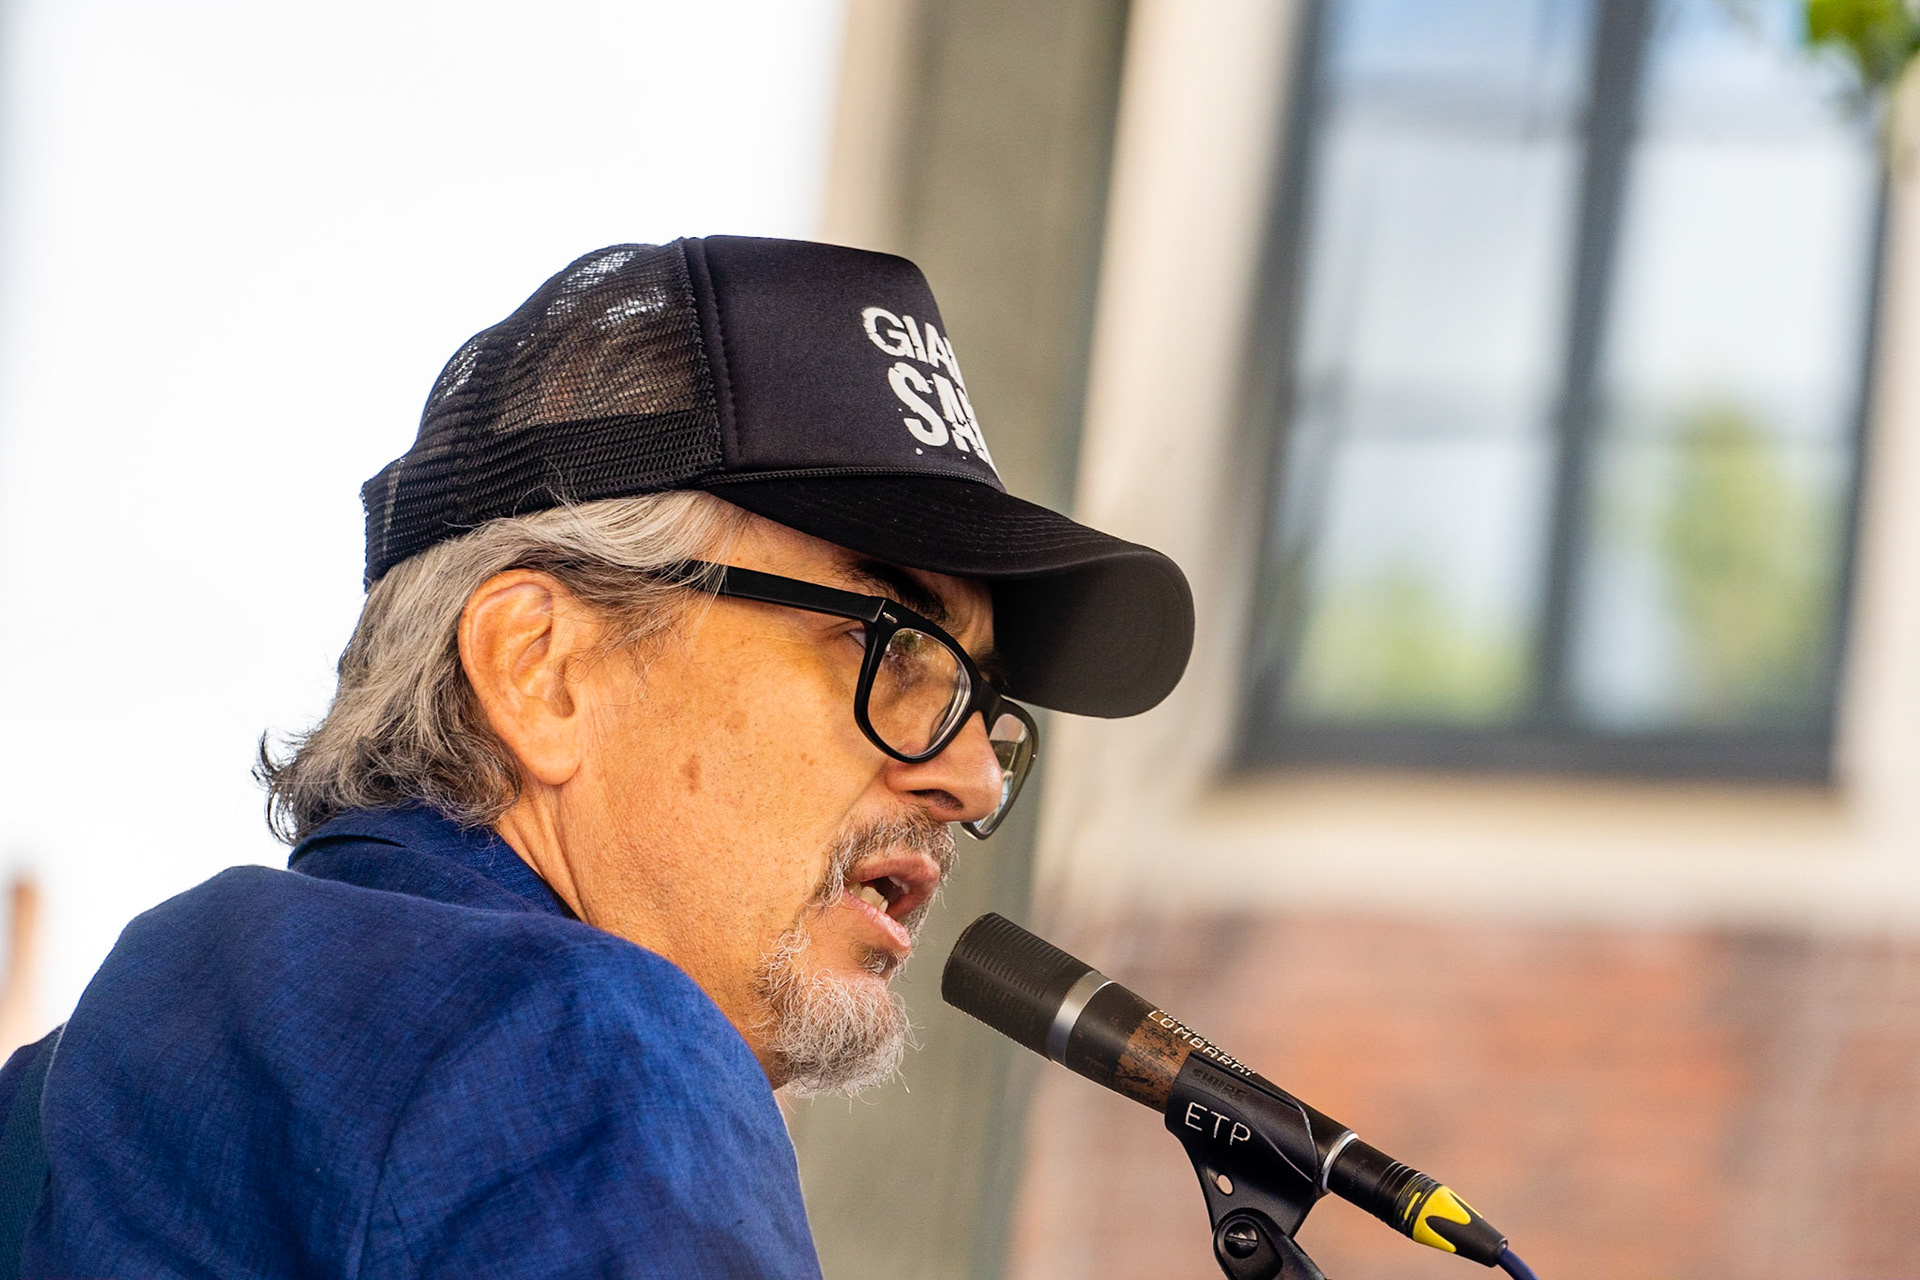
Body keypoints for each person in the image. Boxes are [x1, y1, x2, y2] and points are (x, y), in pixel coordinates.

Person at [0, 237, 1193, 1277]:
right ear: (544, 666)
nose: (973, 778)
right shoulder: (584, 1045)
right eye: (895, 642)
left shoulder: (69, 1097)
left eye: (982, 701)